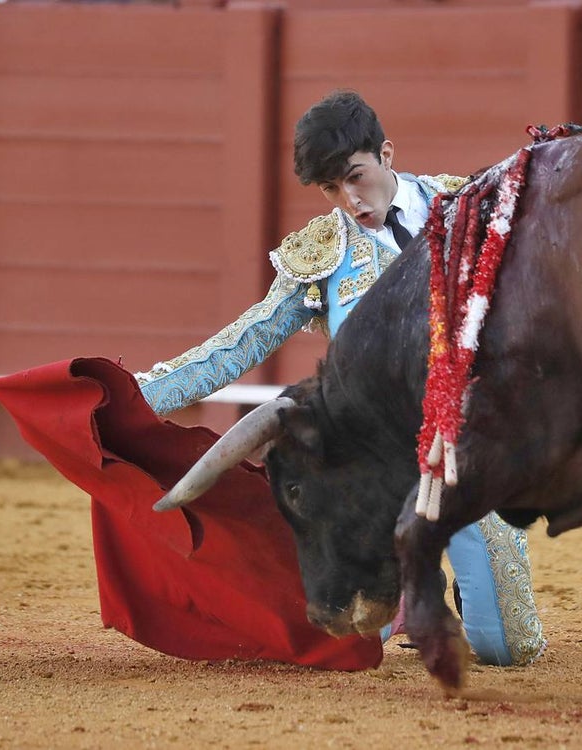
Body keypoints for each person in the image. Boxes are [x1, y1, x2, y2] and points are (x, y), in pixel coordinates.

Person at [133, 90, 545, 667]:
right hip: (370, 478)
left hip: (470, 457)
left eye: (356, 176)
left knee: (507, 649)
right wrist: (136, 398)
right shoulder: (322, 255)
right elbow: (239, 343)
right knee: (352, 648)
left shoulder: (470, 209)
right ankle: (397, 586)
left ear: (386, 154)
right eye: (330, 189)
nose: (351, 200)